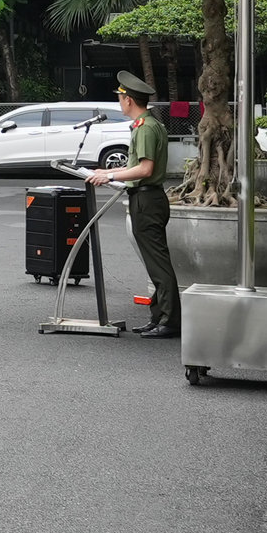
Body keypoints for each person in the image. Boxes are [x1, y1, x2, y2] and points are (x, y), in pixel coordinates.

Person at [89, 74, 173, 336]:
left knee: (158, 266)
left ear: (128, 100)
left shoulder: (145, 128)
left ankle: (169, 321)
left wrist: (110, 175)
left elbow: (145, 169)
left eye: (120, 98)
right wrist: (109, 171)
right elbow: (138, 165)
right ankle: (159, 317)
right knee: (154, 264)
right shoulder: (145, 125)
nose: (119, 102)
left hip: (147, 200)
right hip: (147, 198)